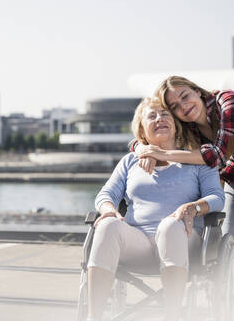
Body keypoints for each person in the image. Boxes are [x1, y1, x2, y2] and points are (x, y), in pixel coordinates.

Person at [135, 75, 234, 320]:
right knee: (229, 240)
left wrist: (161, 152)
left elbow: (219, 155)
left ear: (197, 91)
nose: (183, 106)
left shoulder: (229, 102)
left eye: (185, 96)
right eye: (175, 107)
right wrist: (142, 149)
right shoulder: (188, 125)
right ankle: (228, 308)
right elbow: (145, 135)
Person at [87, 97, 224, 321]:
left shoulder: (196, 159)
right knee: (107, 225)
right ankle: (93, 317)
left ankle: (172, 316)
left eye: (165, 114)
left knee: (171, 225)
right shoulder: (130, 161)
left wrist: (192, 208)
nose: (159, 119)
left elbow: (217, 198)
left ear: (176, 124)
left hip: (184, 240)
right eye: (152, 115)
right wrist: (109, 210)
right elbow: (105, 194)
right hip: (138, 242)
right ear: (141, 128)